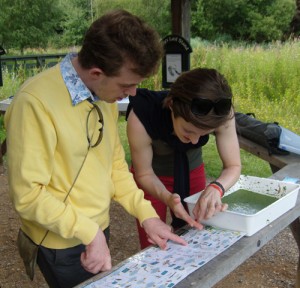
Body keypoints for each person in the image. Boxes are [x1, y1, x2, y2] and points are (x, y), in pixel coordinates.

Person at [4, 9, 187, 288]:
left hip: (96, 230)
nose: (134, 93)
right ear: (97, 72)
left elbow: (114, 167)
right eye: (128, 84)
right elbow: (28, 195)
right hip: (58, 241)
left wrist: (147, 215)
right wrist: (90, 232)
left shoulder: (104, 95)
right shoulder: (34, 103)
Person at [126, 68, 241, 249]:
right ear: (172, 105)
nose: (195, 140)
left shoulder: (221, 113)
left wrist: (216, 188)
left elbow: (233, 165)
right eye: (188, 131)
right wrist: (166, 197)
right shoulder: (141, 116)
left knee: (196, 232)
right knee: (155, 241)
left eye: (204, 135)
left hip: (191, 172)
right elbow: (144, 173)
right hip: (151, 177)